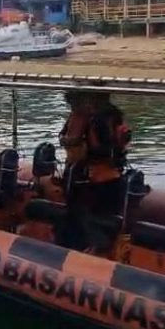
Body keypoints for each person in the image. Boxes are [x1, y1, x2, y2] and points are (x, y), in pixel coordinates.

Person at [57, 91, 132, 252]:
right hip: (113, 176)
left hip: (92, 181)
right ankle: (103, 250)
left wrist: (67, 141)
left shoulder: (86, 118)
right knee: (106, 218)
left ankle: (81, 250)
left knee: (82, 218)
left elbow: (76, 145)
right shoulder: (114, 115)